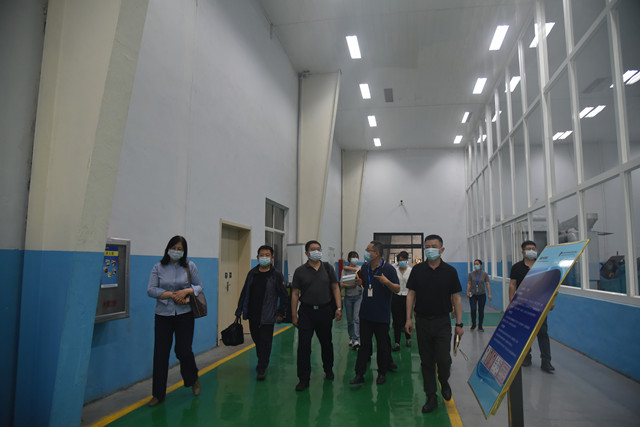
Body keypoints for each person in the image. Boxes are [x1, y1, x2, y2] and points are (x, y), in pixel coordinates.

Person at [405, 234, 463, 414]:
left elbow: (456, 298)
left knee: (444, 359)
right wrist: (408, 318)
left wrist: (459, 324)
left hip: (442, 322)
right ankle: (431, 396)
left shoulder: (450, 271)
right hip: (422, 321)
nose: (430, 249)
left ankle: (444, 381)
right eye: (427, 246)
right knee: (426, 361)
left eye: (434, 246)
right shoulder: (417, 270)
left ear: (442, 249)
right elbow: (411, 294)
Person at [146, 236, 203, 407]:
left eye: (180, 249)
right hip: (163, 315)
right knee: (160, 354)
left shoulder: (190, 266)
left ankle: (193, 379)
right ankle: (158, 394)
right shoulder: (158, 267)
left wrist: (186, 291)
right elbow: (151, 290)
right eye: (174, 248)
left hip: (185, 314)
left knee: (183, 350)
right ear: (168, 248)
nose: (176, 252)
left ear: (184, 251)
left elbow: (199, 286)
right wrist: (171, 295)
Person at [291, 240, 343, 391]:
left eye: (319, 249)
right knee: (304, 346)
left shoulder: (328, 268)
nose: (316, 251)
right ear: (306, 253)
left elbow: (335, 287)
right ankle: (303, 379)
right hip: (306, 312)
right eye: (313, 249)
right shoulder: (300, 271)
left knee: (326, 343)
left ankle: (328, 369)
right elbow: (295, 294)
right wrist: (294, 315)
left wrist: (339, 307)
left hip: (325, 311)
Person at [350, 241, 400, 386]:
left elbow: (397, 289)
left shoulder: (388, 269)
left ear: (376, 253)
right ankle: (359, 373)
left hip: (381, 315)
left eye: (368, 250)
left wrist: (386, 282)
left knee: (382, 346)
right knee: (364, 346)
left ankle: (382, 373)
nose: (366, 252)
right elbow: (367, 285)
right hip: (365, 314)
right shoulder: (365, 267)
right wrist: (361, 283)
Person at [235, 245, 288, 381]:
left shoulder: (276, 275)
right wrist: (239, 309)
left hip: (268, 314)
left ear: (272, 258)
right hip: (253, 313)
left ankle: (262, 367)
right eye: (262, 255)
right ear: (257, 257)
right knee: (257, 340)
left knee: (265, 341)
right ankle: (262, 359)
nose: (264, 257)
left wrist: (281, 313)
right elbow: (245, 292)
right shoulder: (252, 273)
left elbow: (283, 295)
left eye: (267, 255)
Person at [509, 240, 554, 373]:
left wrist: (551, 301)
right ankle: (526, 358)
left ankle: (546, 362)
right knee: (524, 333)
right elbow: (512, 285)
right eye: (529, 249)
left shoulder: (543, 266)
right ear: (523, 252)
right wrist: (512, 302)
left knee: (543, 333)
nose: (532, 251)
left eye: (534, 249)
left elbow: (548, 285)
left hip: (539, 305)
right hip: (523, 305)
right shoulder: (516, 267)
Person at [341, 251, 362, 349]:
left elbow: (360, 271)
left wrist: (349, 268)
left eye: (356, 257)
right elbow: (342, 283)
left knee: (356, 318)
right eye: (353, 257)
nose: (355, 259)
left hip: (358, 296)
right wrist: (352, 284)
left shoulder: (359, 269)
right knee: (350, 320)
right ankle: (351, 337)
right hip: (348, 297)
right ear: (349, 259)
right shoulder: (344, 270)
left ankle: (356, 339)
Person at [392, 251, 412, 350]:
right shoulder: (394, 271)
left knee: (407, 318)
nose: (402, 262)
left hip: (408, 297)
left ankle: (408, 339)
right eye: (400, 260)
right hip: (396, 296)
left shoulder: (411, 271)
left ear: (407, 260)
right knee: (397, 321)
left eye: (404, 260)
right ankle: (397, 342)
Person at [467, 259, 492, 332]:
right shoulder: (471, 274)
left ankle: (480, 326)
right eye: (475, 264)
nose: (476, 265)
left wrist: (489, 294)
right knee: (473, 309)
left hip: (482, 295)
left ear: (481, 265)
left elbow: (487, 284)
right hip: (473, 295)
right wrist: (467, 292)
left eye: (477, 264)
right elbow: (469, 283)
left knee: (481, 310)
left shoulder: (485, 274)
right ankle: (474, 323)